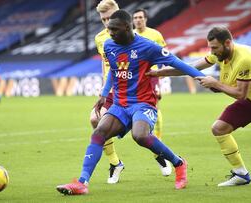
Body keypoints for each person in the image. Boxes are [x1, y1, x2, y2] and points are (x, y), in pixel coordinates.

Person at [56, 9, 205, 195]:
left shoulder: (148, 47)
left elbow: (177, 62)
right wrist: (104, 93)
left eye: (115, 29)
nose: (110, 33)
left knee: (140, 135)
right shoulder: (110, 46)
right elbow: (113, 70)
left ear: (127, 28)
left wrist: (203, 77)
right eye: (109, 29)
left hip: (143, 103)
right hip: (119, 103)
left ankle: (179, 163)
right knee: (99, 132)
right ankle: (81, 182)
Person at [147, 27, 251, 192]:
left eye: (215, 48)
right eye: (210, 47)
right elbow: (189, 68)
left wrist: (215, 83)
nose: (212, 51)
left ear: (228, 43)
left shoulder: (244, 58)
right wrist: (160, 73)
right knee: (219, 128)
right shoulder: (220, 54)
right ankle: (241, 174)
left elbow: (240, 93)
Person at [132, 8, 171, 176]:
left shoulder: (155, 34)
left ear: (146, 19)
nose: (138, 20)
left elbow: (164, 56)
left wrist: (160, 78)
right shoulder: (130, 36)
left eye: (141, 17)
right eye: (135, 18)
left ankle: (158, 139)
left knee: (156, 105)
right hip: (134, 78)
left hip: (152, 75)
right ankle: (156, 147)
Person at [92, 0, 124, 184]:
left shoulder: (131, 36)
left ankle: (165, 157)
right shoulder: (100, 38)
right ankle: (115, 163)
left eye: (110, 18)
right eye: (103, 19)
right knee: (95, 119)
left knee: (141, 134)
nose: (106, 22)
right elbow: (106, 65)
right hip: (111, 90)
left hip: (132, 90)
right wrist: (104, 87)